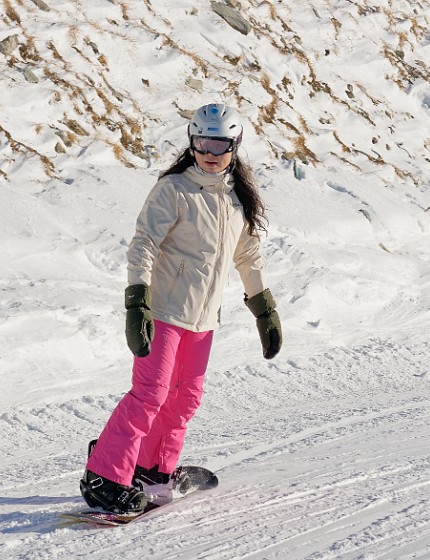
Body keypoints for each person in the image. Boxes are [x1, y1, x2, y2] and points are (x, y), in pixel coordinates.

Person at [80, 103, 282, 514]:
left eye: (220, 143)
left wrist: (264, 309)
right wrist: (137, 303)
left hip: (203, 319)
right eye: (203, 141)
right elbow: (144, 244)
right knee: (150, 395)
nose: (211, 151)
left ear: (234, 145)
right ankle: (105, 474)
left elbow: (248, 256)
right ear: (192, 142)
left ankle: (153, 469)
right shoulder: (174, 189)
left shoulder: (235, 199)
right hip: (165, 312)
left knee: (185, 401)